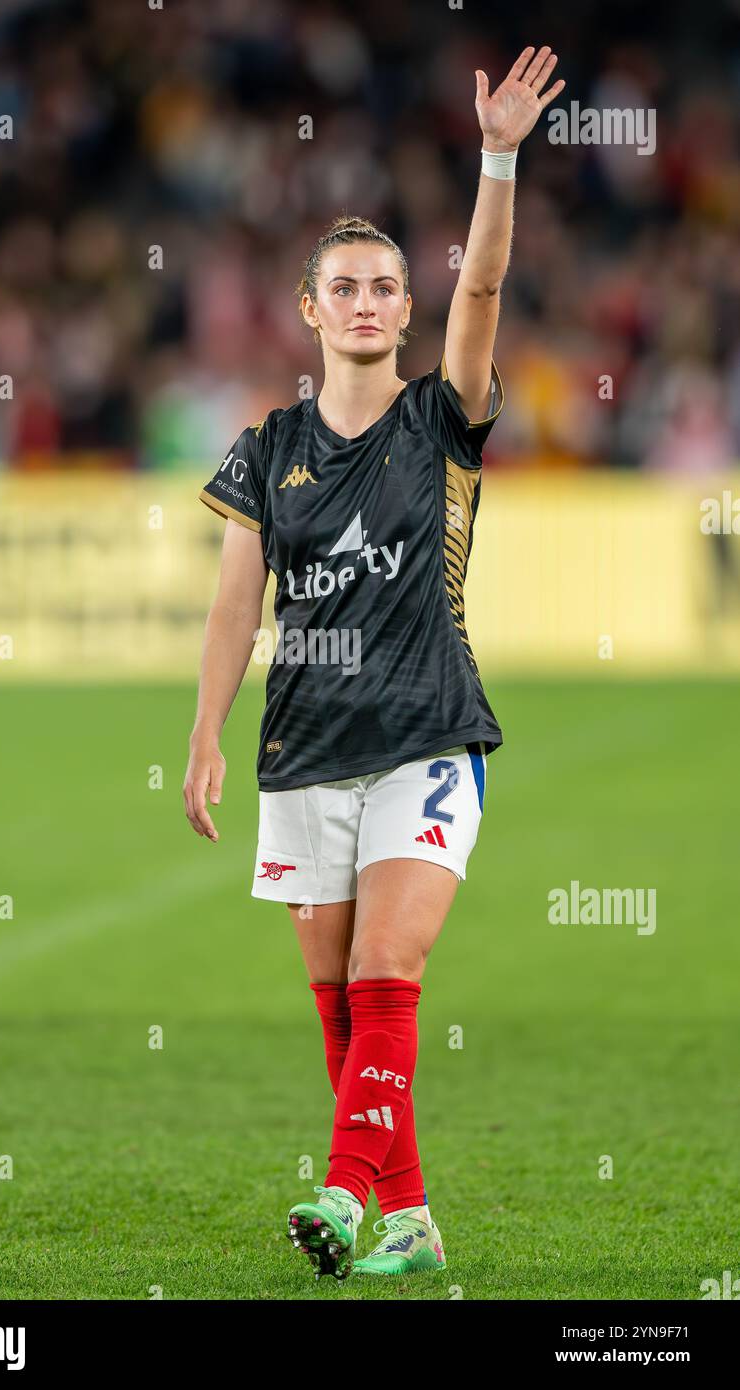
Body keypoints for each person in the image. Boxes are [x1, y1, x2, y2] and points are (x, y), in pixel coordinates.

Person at [184, 46, 564, 1282]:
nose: (364, 300)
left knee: (386, 970)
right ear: (309, 309)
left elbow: (489, 283)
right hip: (300, 748)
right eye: (341, 284)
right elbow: (236, 608)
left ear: (407, 309)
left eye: (385, 286)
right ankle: (409, 1215)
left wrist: (495, 156)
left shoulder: (438, 417)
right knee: (342, 1009)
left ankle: (343, 1195)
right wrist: (200, 738)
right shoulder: (267, 448)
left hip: (427, 736)